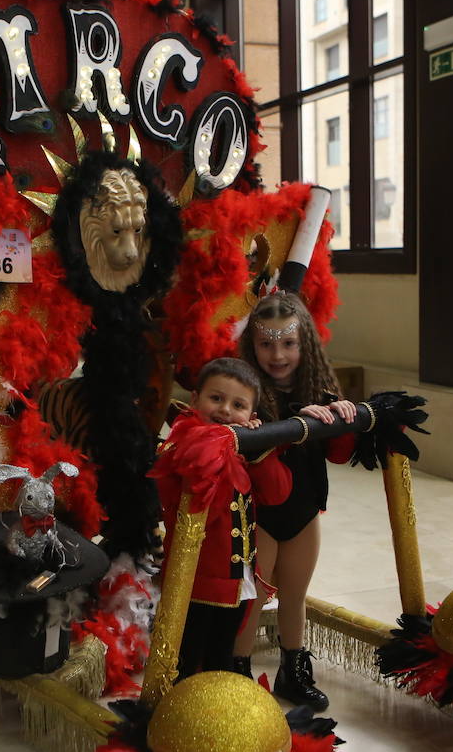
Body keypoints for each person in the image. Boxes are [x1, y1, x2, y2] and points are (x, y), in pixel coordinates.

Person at [234, 292, 357, 711]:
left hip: (305, 512)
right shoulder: (245, 394)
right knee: (252, 597)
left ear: (305, 344)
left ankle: (293, 669)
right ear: (252, 345)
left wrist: (339, 418)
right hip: (260, 517)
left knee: (295, 594)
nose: (278, 354)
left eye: (288, 343)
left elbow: (340, 455)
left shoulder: (319, 389)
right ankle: (237, 671)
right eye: (267, 343)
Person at [150, 357, 291, 678]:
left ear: (251, 416)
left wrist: (258, 452)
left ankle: (217, 716)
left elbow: (277, 494)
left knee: (221, 655)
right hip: (196, 583)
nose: (226, 410)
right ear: (195, 400)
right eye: (216, 398)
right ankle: (183, 719)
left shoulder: (245, 451)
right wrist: (218, 452)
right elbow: (203, 507)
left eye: (238, 404)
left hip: (238, 581)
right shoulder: (179, 449)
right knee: (188, 661)